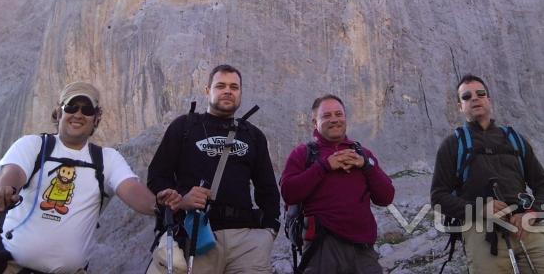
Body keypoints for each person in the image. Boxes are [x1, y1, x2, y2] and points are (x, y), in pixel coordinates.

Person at [0, 81, 179, 274]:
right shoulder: (33, 145)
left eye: (87, 110)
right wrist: (5, 189)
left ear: (96, 118)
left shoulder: (107, 159)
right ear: (59, 112)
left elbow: (131, 189)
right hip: (11, 269)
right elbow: (13, 173)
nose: (78, 114)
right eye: (71, 107)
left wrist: (158, 205)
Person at [430, 74, 544, 274]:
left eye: (481, 93)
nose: (474, 98)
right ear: (460, 107)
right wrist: (480, 209)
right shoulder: (452, 145)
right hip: (481, 231)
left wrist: (532, 214)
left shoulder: (515, 139)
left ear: (489, 99)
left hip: (524, 227)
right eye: (466, 96)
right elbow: (438, 197)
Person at [146, 64, 280, 273]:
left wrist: (269, 231)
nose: (228, 91)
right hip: (196, 235)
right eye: (221, 86)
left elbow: (267, 188)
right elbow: (157, 176)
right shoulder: (184, 127)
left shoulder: (253, 135)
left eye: (234, 87)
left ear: (240, 93)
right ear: (207, 90)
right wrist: (181, 199)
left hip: (245, 240)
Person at [280, 94, 395, 274]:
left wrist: (366, 165)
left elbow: (386, 197)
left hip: (363, 251)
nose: (334, 120)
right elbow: (288, 193)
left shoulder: (362, 154)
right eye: (326, 116)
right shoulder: (302, 154)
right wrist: (324, 166)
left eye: (338, 114)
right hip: (321, 248)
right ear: (314, 122)